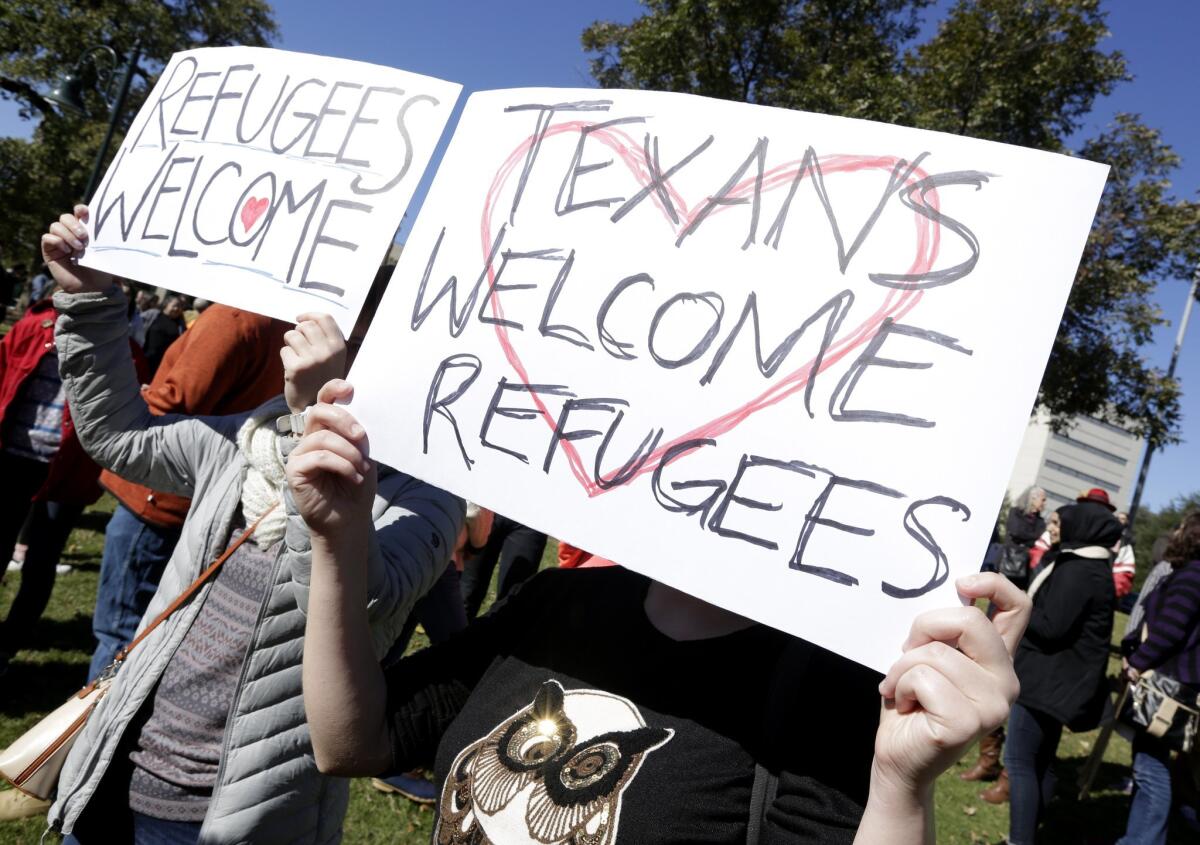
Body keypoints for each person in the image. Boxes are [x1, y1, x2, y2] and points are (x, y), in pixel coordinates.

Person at [289, 384, 1031, 844]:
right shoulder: (558, 600)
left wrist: (903, 786)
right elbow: (350, 739)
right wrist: (337, 542)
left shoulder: (825, 687)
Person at [41, 205, 463, 845]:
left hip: (238, 815)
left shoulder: (429, 495)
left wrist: (313, 425)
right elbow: (121, 437)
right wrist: (89, 300)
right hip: (118, 777)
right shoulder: (250, 439)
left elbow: (359, 596)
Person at [87, 299, 291, 680]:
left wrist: (142, 398)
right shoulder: (287, 327)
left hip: (157, 500)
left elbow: (172, 408)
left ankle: (89, 733)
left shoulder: (235, 317)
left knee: (119, 634)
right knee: (148, 634)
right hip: (203, 499)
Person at [0, 286, 146, 678]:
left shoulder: (124, 350)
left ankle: (8, 647)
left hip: (66, 473)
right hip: (11, 459)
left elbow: (132, 412)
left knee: (40, 562)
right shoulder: (32, 327)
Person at [994, 494, 1121, 842]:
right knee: (1042, 763)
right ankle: (1032, 833)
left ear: (1081, 525)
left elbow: (1052, 627)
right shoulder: (1088, 565)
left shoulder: (1079, 570)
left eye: (1059, 523)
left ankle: (1019, 840)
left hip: (1045, 680)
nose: (1053, 528)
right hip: (1058, 680)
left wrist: (1016, 607)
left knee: (1020, 762)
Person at [1116, 510, 1200, 845]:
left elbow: (1169, 631)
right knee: (1151, 768)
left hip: (1168, 688)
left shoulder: (1193, 576)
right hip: (1177, 685)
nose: (1174, 532)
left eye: (1181, 528)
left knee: (1151, 770)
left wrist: (1136, 662)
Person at [459, 514, 548, 618]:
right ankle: (455, 633)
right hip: (487, 508)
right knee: (466, 594)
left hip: (533, 518)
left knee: (513, 603)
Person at [141, 294, 186, 374]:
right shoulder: (154, 315)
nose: (176, 309)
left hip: (162, 366)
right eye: (174, 306)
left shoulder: (180, 325)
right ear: (166, 304)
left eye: (179, 307)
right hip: (145, 359)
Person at [1112, 510, 1137, 598]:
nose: (1119, 521)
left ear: (1126, 521)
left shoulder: (1128, 537)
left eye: (1122, 519)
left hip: (1118, 565)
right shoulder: (1109, 531)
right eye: (1118, 518)